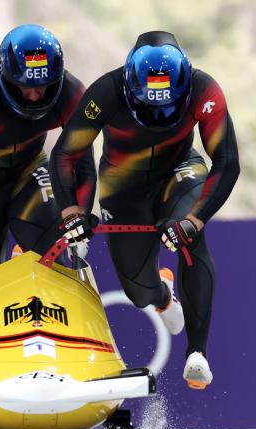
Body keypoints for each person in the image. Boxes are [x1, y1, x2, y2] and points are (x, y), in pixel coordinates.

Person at [50, 31, 240, 389]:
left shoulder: (205, 90)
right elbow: (65, 154)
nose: (158, 113)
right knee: (139, 292)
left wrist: (194, 220)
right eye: (149, 106)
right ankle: (161, 296)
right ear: (129, 87)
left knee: (189, 237)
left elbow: (226, 162)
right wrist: (71, 211)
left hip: (179, 171)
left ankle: (197, 353)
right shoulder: (105, 92)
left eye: (168, 106)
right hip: (124, 188)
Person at [0, 24, 95, 268]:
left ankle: (30, 255)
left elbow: (83, 165)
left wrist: (78, 219)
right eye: (24, 86)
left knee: (54, 251)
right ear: (6, 77)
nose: (34, 96)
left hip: (29, 171)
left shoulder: (73, 94)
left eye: (43, 86)